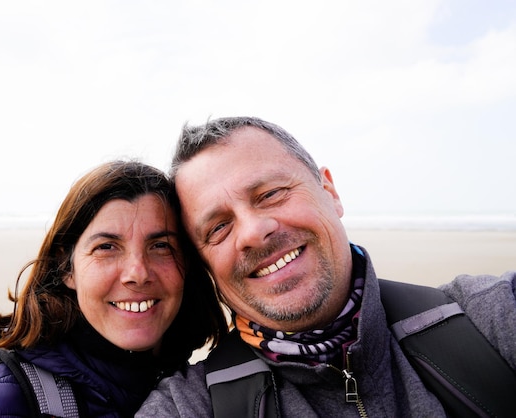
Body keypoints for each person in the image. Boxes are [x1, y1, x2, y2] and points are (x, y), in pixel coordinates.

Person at [135, 117, 516, 417]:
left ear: (330, 193)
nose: (252, 232)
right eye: (218, 227)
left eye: (271, 194)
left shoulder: (489, 319)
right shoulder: (191, 405)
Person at [0, 160, 228, 418]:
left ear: (187, 264)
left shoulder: (204, 385)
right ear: (66, 268)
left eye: (161, 246)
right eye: (107, 247)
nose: (137, 273)